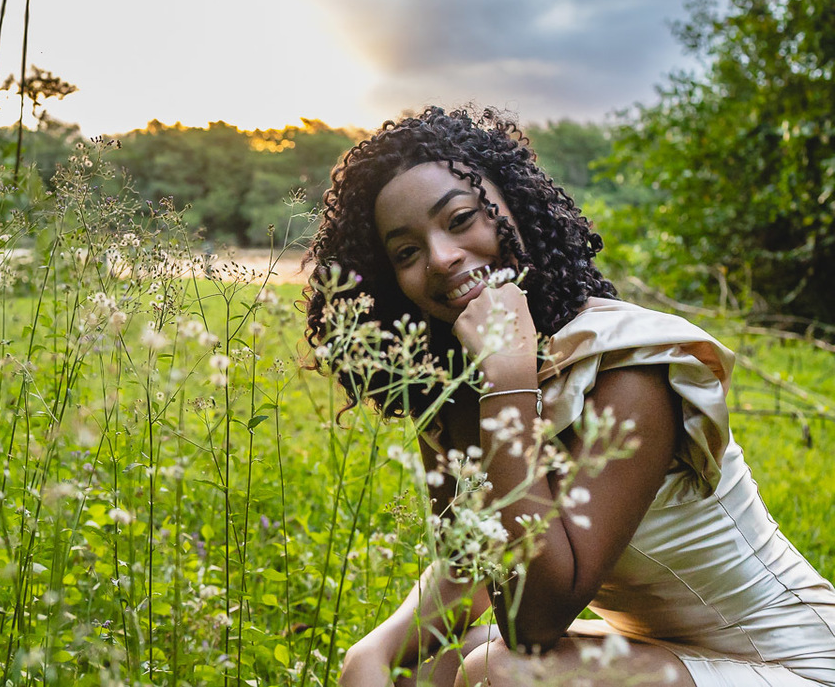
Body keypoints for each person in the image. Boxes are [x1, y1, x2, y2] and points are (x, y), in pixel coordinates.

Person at [303, 106, 835, 687]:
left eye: (459, 219)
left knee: (498, 670)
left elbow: (533, 621)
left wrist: (508, 384)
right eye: (406, 252)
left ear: (516, 208)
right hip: (649, 650)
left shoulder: (630, 365)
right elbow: (475, 574)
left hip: (792, 664)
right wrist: (374, 651)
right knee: (433, 667)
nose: (440, 257)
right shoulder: (456, 397)